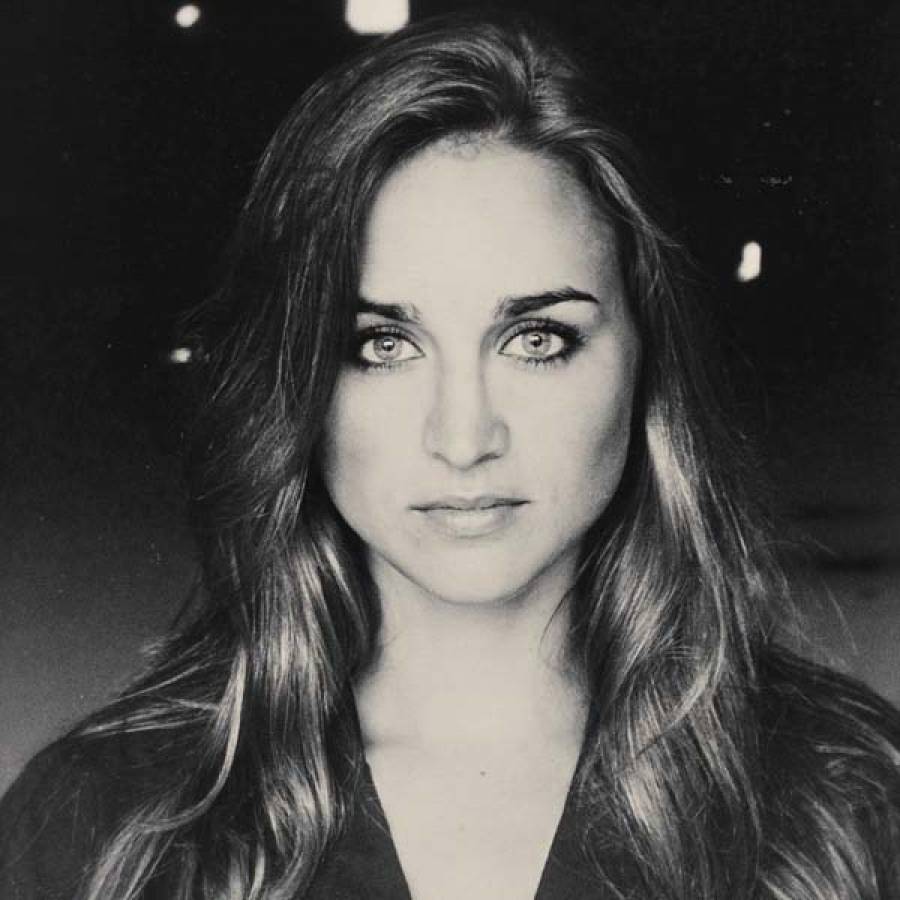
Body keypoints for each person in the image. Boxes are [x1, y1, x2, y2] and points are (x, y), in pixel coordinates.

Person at [2, 11, 899, 900]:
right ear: (297, 380)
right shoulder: (105, 829)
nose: (464, 439)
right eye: (383, 345)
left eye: (537, 340)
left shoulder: (845, 804)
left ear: (647, 356)